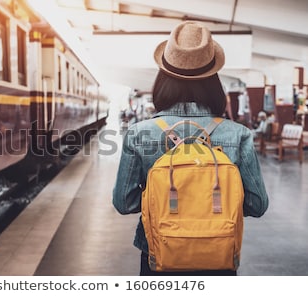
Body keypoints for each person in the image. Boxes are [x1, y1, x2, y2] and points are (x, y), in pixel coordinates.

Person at [112, 21, 269, 276]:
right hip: (218, 252)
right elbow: (257, 204)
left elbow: (124, 202)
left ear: (162, 80)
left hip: (159, 253)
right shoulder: (238, 134)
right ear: (214, 82)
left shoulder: (139, 134)